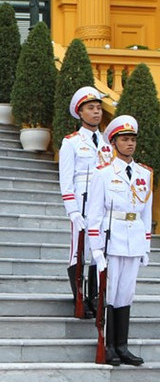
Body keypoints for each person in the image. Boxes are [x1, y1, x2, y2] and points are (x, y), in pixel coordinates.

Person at [87, 115, 152, 366]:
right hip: (111, 240)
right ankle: (109, 345)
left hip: (134, 239)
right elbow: (94, 214)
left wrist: (146, 246)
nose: (130, 144)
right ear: (113, 143)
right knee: (111, 294)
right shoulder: (103, 174)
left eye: (133, 139)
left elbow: (146, 213)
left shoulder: (144, 173)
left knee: (126, 294)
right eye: (124, 139)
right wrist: (96, 249)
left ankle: (122, 345)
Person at [59, 87, 113, 318]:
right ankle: (78, 298)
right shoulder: (71, 142)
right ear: (80, 112)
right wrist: (72, 211)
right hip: (82, 202)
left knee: (97, 250)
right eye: (91, 108)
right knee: (78, 251)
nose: (96, 112)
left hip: (102, 204)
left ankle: (94, 298)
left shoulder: (108, 143)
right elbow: (66, 180)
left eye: (99, 108)